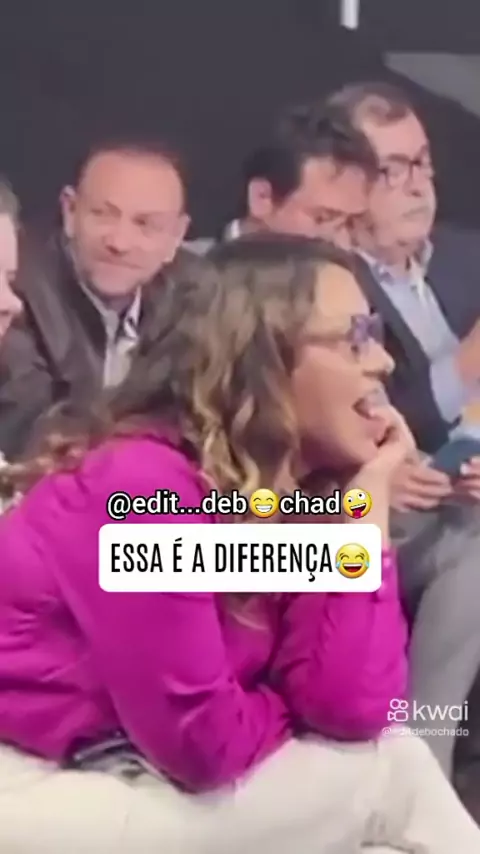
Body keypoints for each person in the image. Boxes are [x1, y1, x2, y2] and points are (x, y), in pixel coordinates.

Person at [0, 235, 478, 852]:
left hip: (130, 774)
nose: (384, 362)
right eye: (354, 336)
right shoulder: (141, 488)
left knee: (387, 809)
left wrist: (364, 507)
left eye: (377, 333)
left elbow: (350, 707)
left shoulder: (279, 499)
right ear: (262, 357)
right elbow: (204, 743)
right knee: (396, 773)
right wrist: (284, 714)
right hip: (32, 786)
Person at [323, 81, 480, 782]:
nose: (418, 185)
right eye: (394, 170)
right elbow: (358, 411)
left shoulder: (465, 259)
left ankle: (421, 766)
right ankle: (421, 764)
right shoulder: (332, 277)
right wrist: (469, 363)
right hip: (360, 502)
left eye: (423, 164)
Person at [0, 134, 194, 462]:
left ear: (176, 236)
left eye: (145, 224)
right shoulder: (16, 291)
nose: (119, 242)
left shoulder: (198, 296)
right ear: (70, 211)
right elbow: (29, 435)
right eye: (103, 214)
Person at [186, 108, 377, 255]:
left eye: (351, 224)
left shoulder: (361, 283)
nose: (343, 244)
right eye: (322, 218)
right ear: (262, 197)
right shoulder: (186, 279)